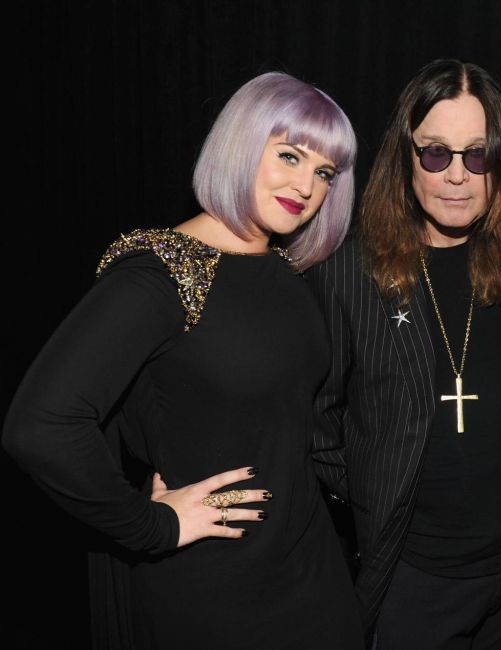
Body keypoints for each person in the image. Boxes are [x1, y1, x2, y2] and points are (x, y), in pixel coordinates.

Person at [2, 72, 361, 650]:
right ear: (240, 145)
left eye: (324, 172)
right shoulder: (160, 274)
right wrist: (153, 525)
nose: (307, 185)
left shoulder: (285, 272)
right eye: (290, 155)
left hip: (312, 575)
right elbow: (40, 426)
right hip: (213, 592)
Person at [307, 59, 501, 649]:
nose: (458, 176)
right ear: (405, 159)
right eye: (436, 154)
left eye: (478, 155)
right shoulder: (349, 273)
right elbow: (317, 427)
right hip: (414, 581)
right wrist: (375, 487)